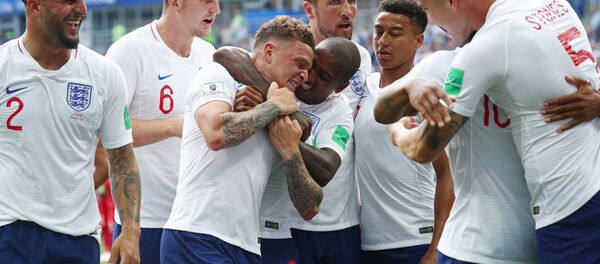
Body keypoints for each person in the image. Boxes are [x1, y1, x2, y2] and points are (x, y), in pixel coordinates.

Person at [378, 0, 600, 262]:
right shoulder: (553, 7)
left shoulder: (479, 52)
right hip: (502, 240)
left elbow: (421, 148)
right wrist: (409, 87)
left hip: (561, 219)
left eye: (428, 10)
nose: (433, 22)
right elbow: (380, 108)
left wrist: (397, 131)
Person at [160, 16, 314, 263]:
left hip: (248, 245)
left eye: (308, 68)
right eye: (300, 63)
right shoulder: (218, 74)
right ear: (269, 52)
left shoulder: (282, 117)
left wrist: (289, 148)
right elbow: (216, 134)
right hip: (198, 235)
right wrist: (274, 105)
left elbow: (310, 207)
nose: (305, 75)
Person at [0, 0, 141, 263]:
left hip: (77, 239)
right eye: (68, 1)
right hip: (9, 233)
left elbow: (122, 159)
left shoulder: (105, 74)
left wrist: (131, 230)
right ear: (34, 5)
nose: (82, 9)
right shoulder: (3, 67)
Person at [214, 36, 361, 264]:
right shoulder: (286, 79)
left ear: (340, 86)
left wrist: (284, 129)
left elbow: (325, 169)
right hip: (236, 225)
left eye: (323, 76)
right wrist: (276, 103)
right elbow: (225, 54)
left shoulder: (339, 112)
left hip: (284, 228)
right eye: (311, 66)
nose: (308, 78)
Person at [102, 0, 220, 262]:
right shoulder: (129, 51)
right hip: (145, 222)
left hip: (195, 222)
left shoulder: (209, 54)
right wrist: (174, 126)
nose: (216, 9)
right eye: (207, 1)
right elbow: (104, 132)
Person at [354, 1, 454, 263]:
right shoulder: (363, 88)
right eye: (378, 31)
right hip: (365, 242)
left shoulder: (427, 95)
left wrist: (434, 250)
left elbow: (447, 176)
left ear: (418, 41)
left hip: (415, 239)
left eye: (395, 33)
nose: (382, 41)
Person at [281, 1, 372, 262]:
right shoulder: (286, 68)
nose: (346, 10)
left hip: (339, 219)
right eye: (334, 2)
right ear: (310, 9)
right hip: (286, 222)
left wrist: (284, 133)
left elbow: (327, 165)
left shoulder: (360, 59)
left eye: (352, 1)